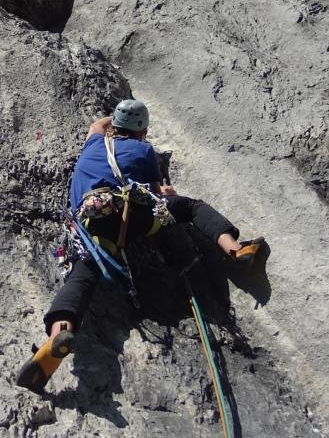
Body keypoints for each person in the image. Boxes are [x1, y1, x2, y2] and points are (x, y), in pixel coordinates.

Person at [15, 98, 264, 393]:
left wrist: (115, 118)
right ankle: (235, 249)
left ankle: (59, 335)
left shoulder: (94, 144)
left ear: (114, 126)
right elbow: (158, 193)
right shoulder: (143, 150)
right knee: (192, 207)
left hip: (93, 224)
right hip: (134, 218)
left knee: (82, 277)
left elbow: (96, 125)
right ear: (142, 131)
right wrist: (168, 192)